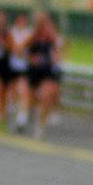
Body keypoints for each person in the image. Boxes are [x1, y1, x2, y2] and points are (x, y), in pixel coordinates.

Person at [25, 11, 63, 139]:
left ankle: (40, 126)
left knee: (46, 96)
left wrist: (52, 36)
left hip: (47, 71)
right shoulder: (33, 36)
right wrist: (31, 58)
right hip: (34, 71)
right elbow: (23, 50)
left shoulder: (52, 37)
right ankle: (31, 113)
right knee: (31, 99)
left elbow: (60, 51)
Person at [7, 11, 34, 132]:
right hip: (13, 66)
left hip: (24, 67)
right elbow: (13, 47)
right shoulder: (12, 32)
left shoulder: (30, 33)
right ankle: (14, 113)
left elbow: (23, 47)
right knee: (12, 92)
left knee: (23, 91)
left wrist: (20, 48)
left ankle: (21, 118)